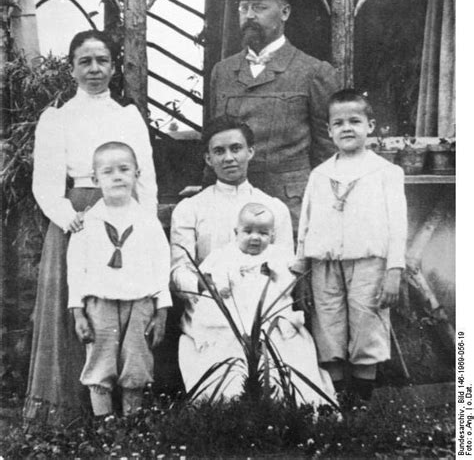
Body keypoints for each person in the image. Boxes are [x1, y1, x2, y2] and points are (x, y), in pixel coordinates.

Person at [24, 30, 158, 425]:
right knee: (78, 304)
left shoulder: (127, 117)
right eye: (85, 61)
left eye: (102, 61)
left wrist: (145, 224)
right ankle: (70, 412)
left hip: (125, 218)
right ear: (72, 68)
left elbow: (144, 176)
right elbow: (46, 182)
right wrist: (70, 219)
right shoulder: (57, 118)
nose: (95, 69)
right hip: (78, 218)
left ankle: (124, 409)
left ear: (114, 67)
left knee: (124, 307)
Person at [295, 89, 407, 405]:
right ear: (329, 130)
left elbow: (398, 225)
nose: (347, 128)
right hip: (325, 262)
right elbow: (306, 221)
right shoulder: (320, 174)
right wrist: (302, 264)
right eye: (339, 122)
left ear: (370, 126)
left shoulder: (386, 173)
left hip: (369, 261)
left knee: (366, 324)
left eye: (355, 121)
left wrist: (394, 269)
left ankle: (361, 403)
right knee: (327, 325)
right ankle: (335, 400)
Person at [210, 0, 339, 231]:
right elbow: (214, 141)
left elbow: (328, 152)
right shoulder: (222, 72)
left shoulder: (313, 72)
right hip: (232, 208)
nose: (248, 16)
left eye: (259, 8)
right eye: (243, 8)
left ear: (285, 13)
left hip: (291, 209)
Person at [170, 116, 294, 388]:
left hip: (264, 306)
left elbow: (286, 268)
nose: (228, 158)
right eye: (219, 151)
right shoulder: (191, 208)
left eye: (236, 148)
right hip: (211, 305)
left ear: (250, 151)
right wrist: (203, 285)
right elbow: (179, 270)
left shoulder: (273, 208)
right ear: (207, 158)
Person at [185, 202, 336, 413]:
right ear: (236, 232)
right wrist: (222, 285)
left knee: (289, 347)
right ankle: (229, 403)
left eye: (263, 233)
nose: (255, 238)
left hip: (269, 313)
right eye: (248, 232)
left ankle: (288, 402)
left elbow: (286, 285)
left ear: (272, 236)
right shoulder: (224, 254)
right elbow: (210, 277)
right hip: (235, 313)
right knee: (226, 344)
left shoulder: (278, 256)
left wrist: (275, 272)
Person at [67, 142, 171, 417]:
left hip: (140, 303)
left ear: (137, 174)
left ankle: (132, 426)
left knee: (136, 361)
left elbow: (161, 266)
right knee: (100, 362)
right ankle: (106, 430)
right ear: (94, 179)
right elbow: (75, 270)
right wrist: (78, 313)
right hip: (99, 303)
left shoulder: (148, 222)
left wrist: (161, 311)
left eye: (124, 169)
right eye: (108, 171)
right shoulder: (86, 223)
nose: (117, 176)